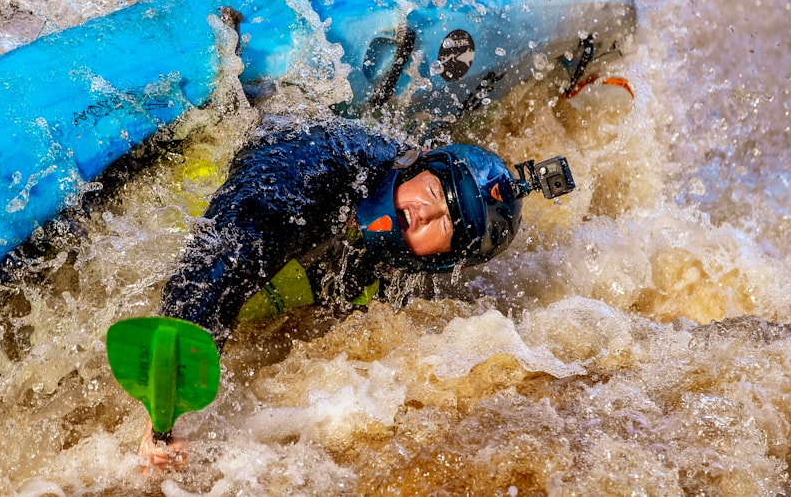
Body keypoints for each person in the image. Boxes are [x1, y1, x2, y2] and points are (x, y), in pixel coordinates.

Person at [139, 113, 573, 467]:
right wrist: (164, 414)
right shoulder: (317, 164)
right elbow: (217, 262)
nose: (423, 212)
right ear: (420, 166)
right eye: (435, 190)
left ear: (439, 258)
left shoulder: (400, 276)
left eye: (446, 223)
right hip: (186, 203)